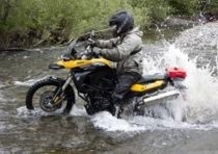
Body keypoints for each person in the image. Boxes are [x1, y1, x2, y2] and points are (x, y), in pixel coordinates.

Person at [91, 10, 143, 105]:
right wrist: (95, 43)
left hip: (131, 72)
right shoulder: (124, 36)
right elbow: (110, 43)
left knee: (116, 95)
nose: (114, 28)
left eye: (116, 26)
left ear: (123, 25)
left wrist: (100, 52)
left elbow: (119, 54)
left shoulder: (132, 38)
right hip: (122, 69)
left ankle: (118, 115)